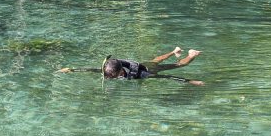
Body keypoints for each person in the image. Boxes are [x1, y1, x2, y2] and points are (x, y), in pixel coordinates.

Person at [57, 47, 204, 86]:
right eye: (107, 75)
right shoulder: (109, 70)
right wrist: (71, 70)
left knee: (177, 65)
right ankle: (174, 50)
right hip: (145, 64)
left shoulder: (141, 75)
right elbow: (92, 70)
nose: (107, 78)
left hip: (148, 69)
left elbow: (167, 77)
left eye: (111, 76)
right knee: (155, 59)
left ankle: (191, 54)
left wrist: (189, 81)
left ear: (120, 72)